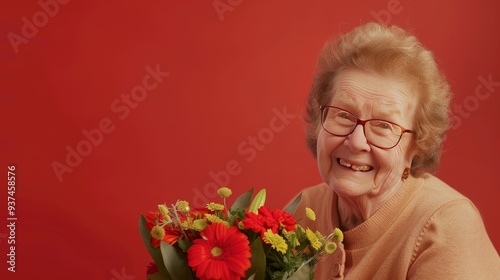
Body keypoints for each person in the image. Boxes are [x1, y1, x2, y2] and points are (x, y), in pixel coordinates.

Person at [292, 22, 500, 279]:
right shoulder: (304, 209)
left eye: (383, 126)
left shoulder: (445, 226)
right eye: (343, 116)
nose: (356, 142)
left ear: (417, 145)